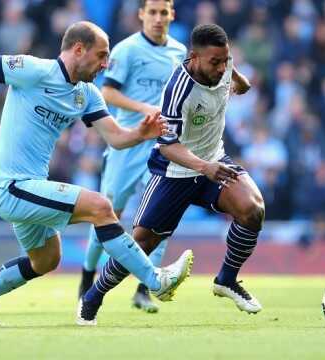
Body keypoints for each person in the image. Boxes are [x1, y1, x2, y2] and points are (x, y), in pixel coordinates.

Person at [0, 21, 194, 326]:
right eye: (101, 55)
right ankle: (155, 280)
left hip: (30, 189)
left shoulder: (87, 95)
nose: (105, 64)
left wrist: (141, 132)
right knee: (101, 207)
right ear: (79, 50)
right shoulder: (34, 70)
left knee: (46, 260)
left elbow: (117, 138)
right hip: (11, 187)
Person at [78, 24, 265, 325]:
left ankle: (226, 280)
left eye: (224, 60)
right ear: (194, 57)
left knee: (253, 210)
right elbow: (166, 146)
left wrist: (239, 80)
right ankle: (92, 297)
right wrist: (205, 168)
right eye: (214, 62)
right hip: (174, 172)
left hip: (213, 160)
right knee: (140, 245)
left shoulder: (224, 63)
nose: (220, 68)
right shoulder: (179, 89)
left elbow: (236, 78)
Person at [78, 0, 187, 314]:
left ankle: (143, 288)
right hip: (127, 143)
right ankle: (87, 275)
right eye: (151, 12)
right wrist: (145, 110)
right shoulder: (126, 50)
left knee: (161, 216)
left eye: (162, 12)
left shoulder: (179, 53)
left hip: (162, 146)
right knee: (107, 211)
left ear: (171, 15)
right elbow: (108, 93)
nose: (157, 18)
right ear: (141, 15)